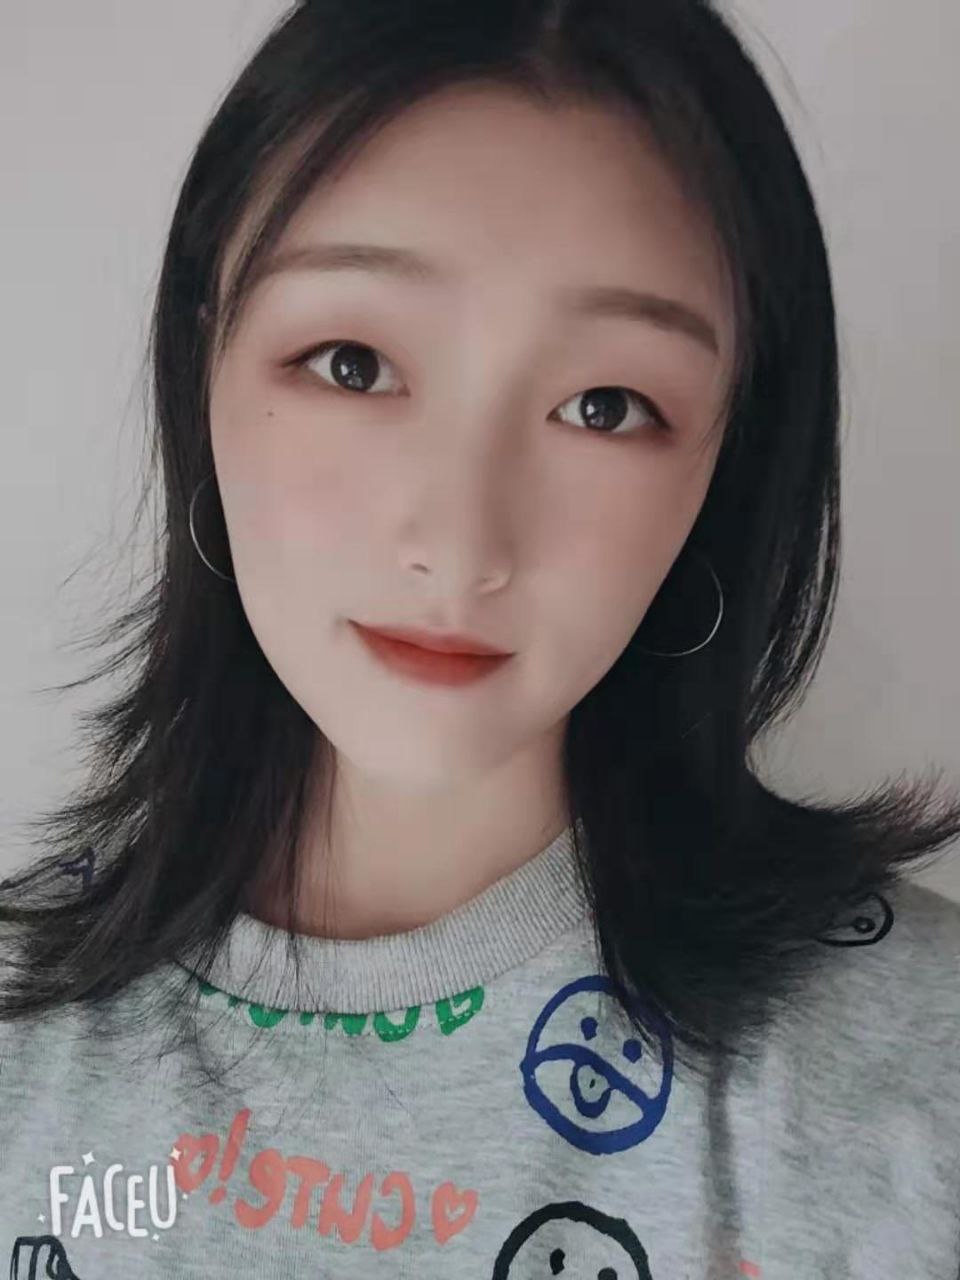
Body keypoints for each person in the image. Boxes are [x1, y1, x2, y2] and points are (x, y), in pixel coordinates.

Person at [1, 0, 958, 1276]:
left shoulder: (917, 1083)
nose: (461, 545)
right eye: (352, 363)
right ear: (202, 368)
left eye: (605, 404)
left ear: (724, 467)